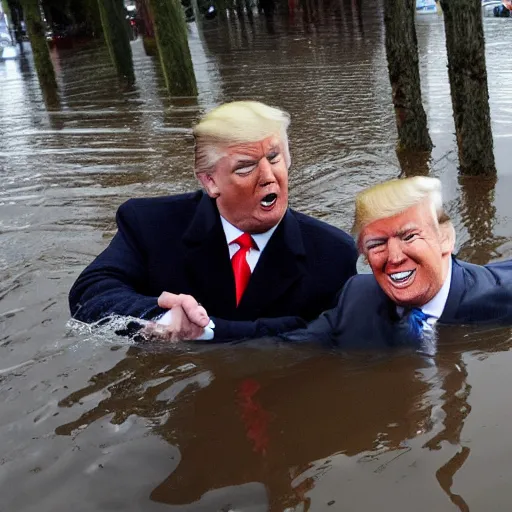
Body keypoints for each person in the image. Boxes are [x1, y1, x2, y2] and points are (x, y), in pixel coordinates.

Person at [69, 101, 358, 339]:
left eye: (274, 158)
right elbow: (89, 296)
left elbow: (333, 338)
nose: (269, 177)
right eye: (245, 168)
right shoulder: (150, 225)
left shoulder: (334, 254)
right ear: (210, 181)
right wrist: (163, 315)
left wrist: (204, 331)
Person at [168, 176, 512, 348]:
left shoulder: (500, 297)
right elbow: (282, 342)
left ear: (445, 239)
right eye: (377, 244)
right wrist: (200, 330)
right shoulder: (356, 300)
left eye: (409, 237)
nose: (393, 258)